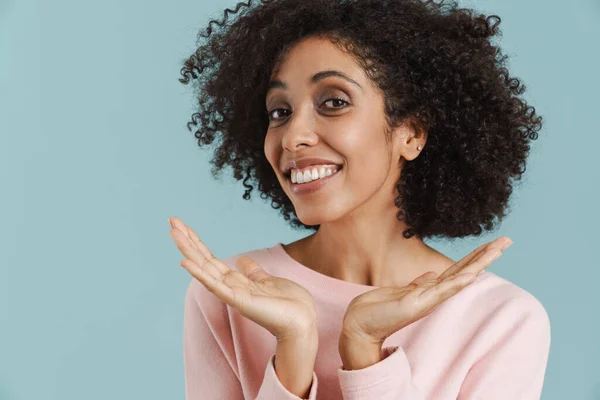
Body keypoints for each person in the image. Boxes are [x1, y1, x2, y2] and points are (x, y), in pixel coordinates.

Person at [170, 0, 550, 399]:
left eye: (334, 102)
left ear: (411, 133)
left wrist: (366, 354)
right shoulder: (229, 296)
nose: (293, 136)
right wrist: (293, 353)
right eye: (279, 111)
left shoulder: (499, 320)